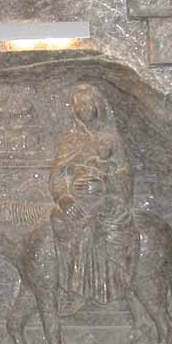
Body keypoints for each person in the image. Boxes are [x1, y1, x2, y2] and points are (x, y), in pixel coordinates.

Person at [50, 85, 138, 307]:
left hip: (107, 200)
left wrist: (107, 183)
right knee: (59, 223)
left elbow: (125, 173)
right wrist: (64, 198)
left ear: (97, 106)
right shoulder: (69, 140)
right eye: (78, 105)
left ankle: (106, 290)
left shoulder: (111, 138)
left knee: (95, 229)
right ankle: (69, 288)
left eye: (87, 104)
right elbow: (57, 175)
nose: (83, 109)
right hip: (76, 200)